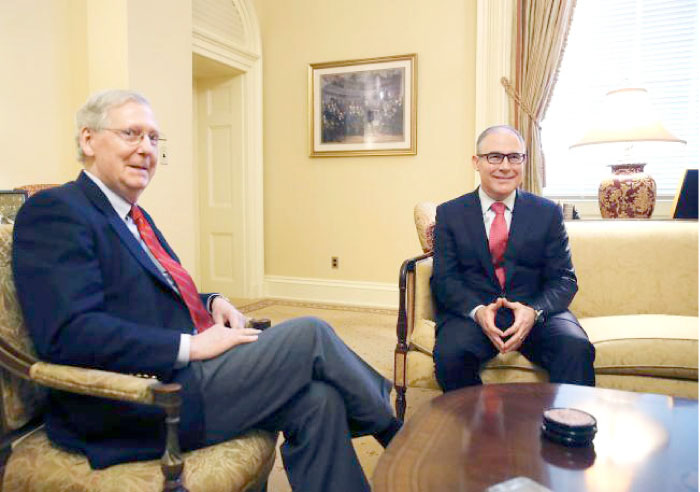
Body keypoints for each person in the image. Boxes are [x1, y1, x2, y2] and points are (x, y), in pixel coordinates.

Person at [11, 89, 400, 492]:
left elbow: (158, 289)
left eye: (153, 138)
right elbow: (68, 334)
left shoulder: (133, 216)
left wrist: (213, 302)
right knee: (310, 335)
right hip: (137, 400)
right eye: (131, 134)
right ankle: (398, 435)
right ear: (88, 139)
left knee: (320, 401)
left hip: (185, 376)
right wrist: (190, 346)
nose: (146, 149)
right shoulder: (57, 211)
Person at [430, 125, 595, 392]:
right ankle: (478, 430)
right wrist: (478, 311)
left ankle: (566, 429)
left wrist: (534, 311)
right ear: (476, 162)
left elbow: (564, 279)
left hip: (537, 311)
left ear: (524, 162)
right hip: (474, 312)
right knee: (451, 355)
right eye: (494, 157)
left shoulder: (547, 213)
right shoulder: (450, 213)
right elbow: (445, 279)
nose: (505, 166)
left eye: (514, 157)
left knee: (575, 348)